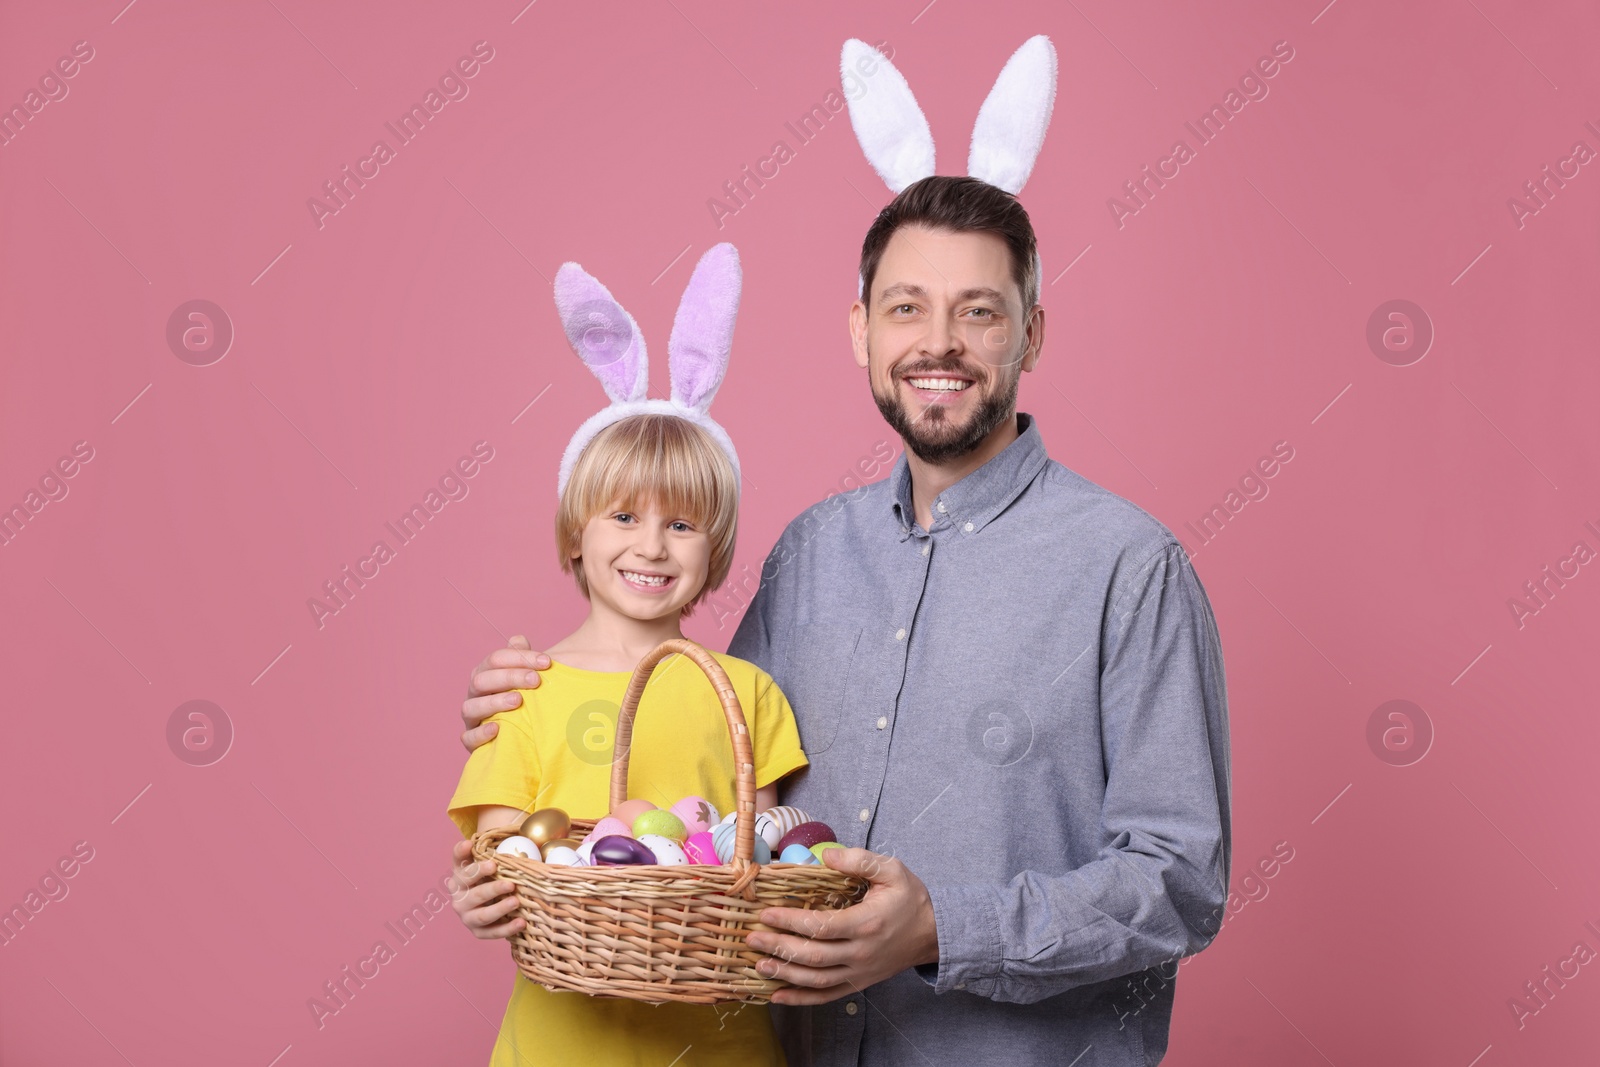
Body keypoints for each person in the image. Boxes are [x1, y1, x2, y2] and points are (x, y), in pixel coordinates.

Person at [453, 40, 1230, 1067]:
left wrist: (943, 926)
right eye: (906, 306)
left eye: (979, 310)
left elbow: (1179, 878)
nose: (938, 341)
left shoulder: (1129, 569)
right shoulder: (809, 554)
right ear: (860, 330)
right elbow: (704, 778)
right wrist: (545, 701)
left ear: (1031, 333)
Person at [446, 247, 809, 1066]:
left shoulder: (749, 696)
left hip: (723, 1049)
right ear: (577, 530)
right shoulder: (523, 692)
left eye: (682, 524)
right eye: (622, 516)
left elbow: (767, 856)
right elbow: (511, 861)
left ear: (713, 547)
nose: (652, 545)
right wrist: (484, 896)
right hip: (560, 1048)